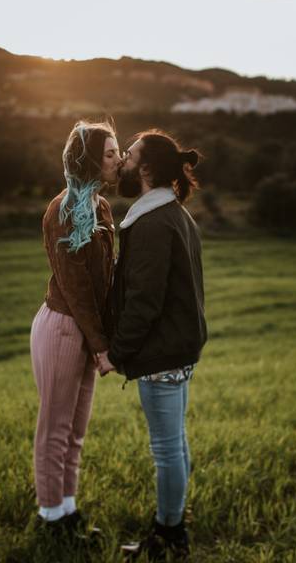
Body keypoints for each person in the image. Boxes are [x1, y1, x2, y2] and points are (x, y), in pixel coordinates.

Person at [97, 130, 206, 560]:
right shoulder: (173, 214)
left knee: (166, 449)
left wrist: (115, 354)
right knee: (175, 443)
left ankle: (169, 535)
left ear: (144, 169)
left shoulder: (152, 222)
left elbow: (144, 301)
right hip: (179, 348)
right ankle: (173, 524)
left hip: (161, 353)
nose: (120, 161)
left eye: (128, 155)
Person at [30, 119, 120, 540]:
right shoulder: (63, 209)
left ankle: (68, 511)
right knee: (55, 428)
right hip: (65, 326)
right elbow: (78, 288)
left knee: (76, 431)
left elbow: (105, 279)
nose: (119, 160)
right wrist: (101, 346)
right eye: (110, 154)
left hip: (86, 330)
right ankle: (50, 519)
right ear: (88, 161)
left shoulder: (100, 207)